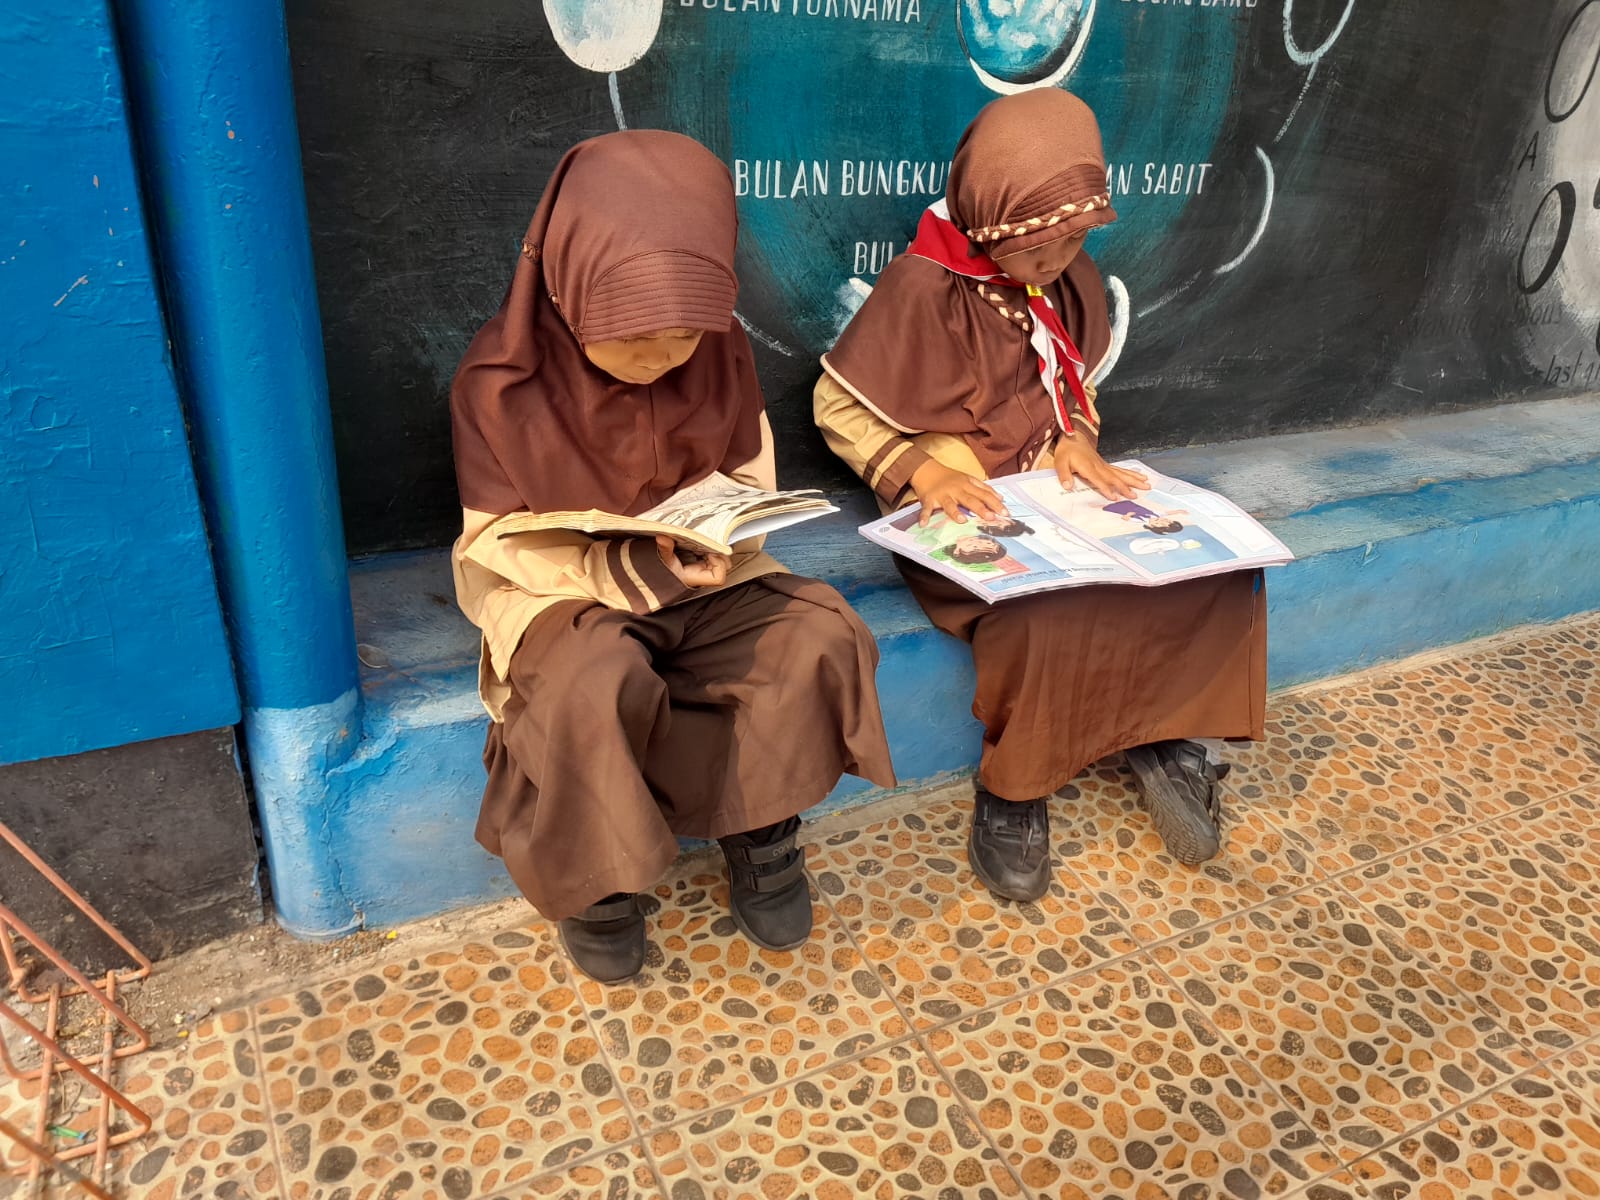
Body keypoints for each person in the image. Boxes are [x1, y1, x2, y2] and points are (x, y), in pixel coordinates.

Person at [452, 131, 895, 982]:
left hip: (702, 578)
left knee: (815, 634)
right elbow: (494, 547)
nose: (660, 361)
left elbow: (746, 475)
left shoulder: (723, 349)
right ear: (570, 286)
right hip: (562, 591)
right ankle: (596, 883)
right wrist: (617, 570)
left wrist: (725, 536)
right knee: (590, 679)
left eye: (684, 335)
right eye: (632, 337)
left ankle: (760, 829)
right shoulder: (498, 384)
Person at [814, 90, 1265, 898]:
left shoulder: (1064, 279)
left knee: (1207, 572)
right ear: (992, 223)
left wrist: (1078, 441)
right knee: (1041, 609)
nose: (1058, 261)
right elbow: (836, 405)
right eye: (1039, 247)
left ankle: (1165, 739)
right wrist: (926, 473)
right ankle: (1015, 792)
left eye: (1075, 240)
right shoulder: (925, 286)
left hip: (1052, 485)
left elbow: (1073, 385)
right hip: (967, 501)